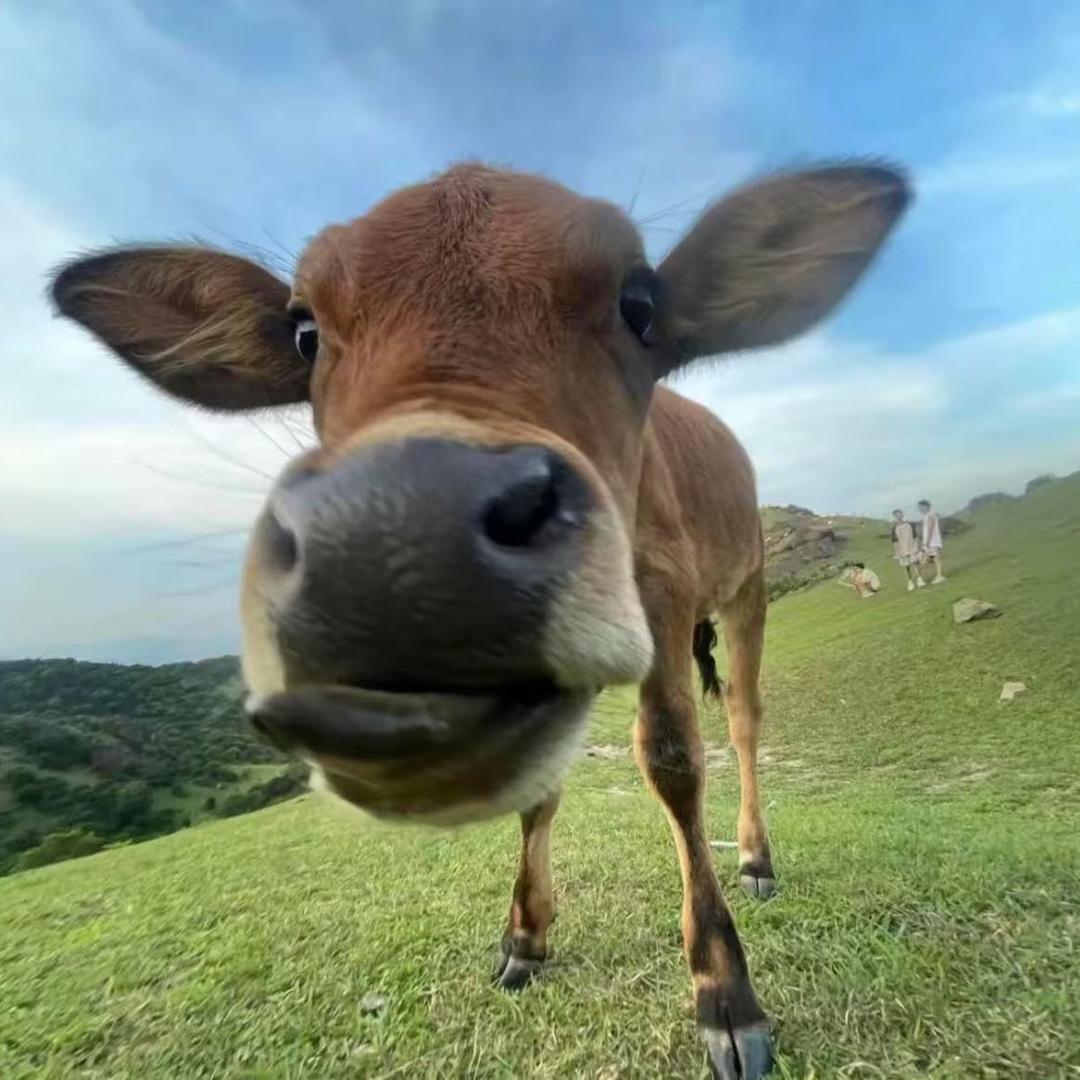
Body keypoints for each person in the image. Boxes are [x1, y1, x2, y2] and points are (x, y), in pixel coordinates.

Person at [890, 508, 923, 590]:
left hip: (912, 546)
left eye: (899, 514)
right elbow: (894, 541)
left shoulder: (910, 524)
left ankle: (920, 579)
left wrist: (917, 546)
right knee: (906, 567)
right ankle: (910, 582)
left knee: (915, 563)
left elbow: (915, 536)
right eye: (896, 515)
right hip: (902, 549)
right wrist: (897, 552)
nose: (898, 516)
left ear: (902, 514)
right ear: (894, 516)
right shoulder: (894, 527)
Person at [917, 498, 946, 584]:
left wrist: (927, 543)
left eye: (922, 507)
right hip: (930, 542)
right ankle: (937, 575)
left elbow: (930, 529)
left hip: (933, 542)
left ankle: (940, 576)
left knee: (936, 558)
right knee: (932, 559)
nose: (921, 509)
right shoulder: (926, 516)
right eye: (920, 507)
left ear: (927, 507)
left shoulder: (930, 515)